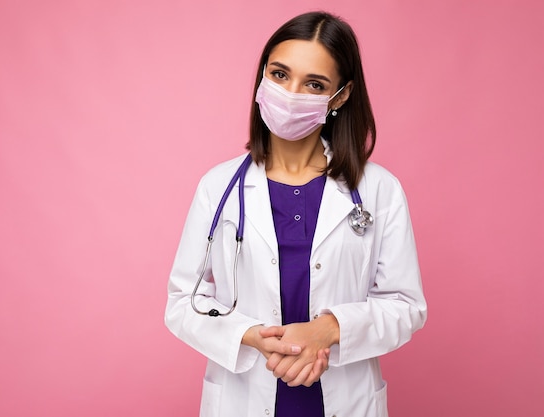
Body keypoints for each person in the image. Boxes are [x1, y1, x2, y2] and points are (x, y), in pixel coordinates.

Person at [165, 11, 427, 417]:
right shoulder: (218, 187)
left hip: (342, 397)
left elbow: (406, 306)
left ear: (339, 96)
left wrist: (331, 328)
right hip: (246, 392)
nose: (290, 93)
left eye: (315, 84)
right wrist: (249, 335)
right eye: (280, 75)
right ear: (262, 77)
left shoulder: (379, 190)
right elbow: (184, 301)